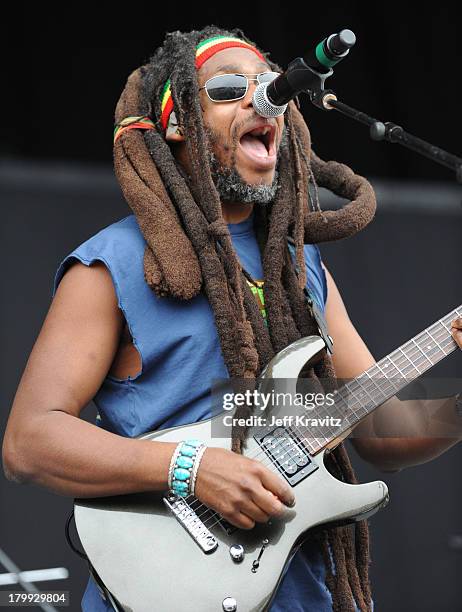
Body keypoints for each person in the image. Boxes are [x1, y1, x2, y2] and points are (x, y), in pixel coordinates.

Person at [3, 26, 462, 612]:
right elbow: (29, 440)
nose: (259, 98)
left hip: (303, 593)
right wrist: (191, 467)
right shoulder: (112, 263)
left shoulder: (301, 265)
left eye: (268, 86)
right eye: (227, 89)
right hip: (168, 587)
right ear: (176, 123)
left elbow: (382, 429)